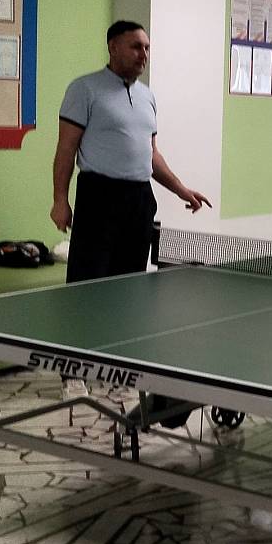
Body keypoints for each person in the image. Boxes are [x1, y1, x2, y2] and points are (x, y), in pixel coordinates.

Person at [50, 21, 211, 399]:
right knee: (86, 289)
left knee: (128, 290)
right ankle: (73, 372)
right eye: (136, 46)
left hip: (138, 199)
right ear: (113, 47)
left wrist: (182, 189)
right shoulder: (84, 89)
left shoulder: (147, 97)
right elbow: (65, 150)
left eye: (147, 48)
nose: (144, 55)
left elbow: (151, 155)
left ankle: (117, 366)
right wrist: (60, 200)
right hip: (98, 195)